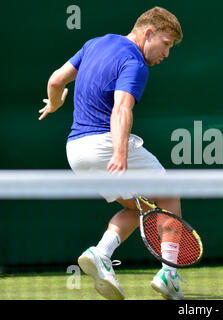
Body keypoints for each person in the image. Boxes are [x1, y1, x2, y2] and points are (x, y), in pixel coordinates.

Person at [38, 7, 185, 300]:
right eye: (166, 44)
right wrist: (119, 154)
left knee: (138, 206)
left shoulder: (94, 43)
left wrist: (54, 104)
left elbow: (56, 81)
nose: (166, 54)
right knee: (169, 192)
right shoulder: (135, 62)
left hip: (76, 151)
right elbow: (121, 108)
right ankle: (170, 273)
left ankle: (100, 253)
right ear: (149, 33)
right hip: (105, 144)